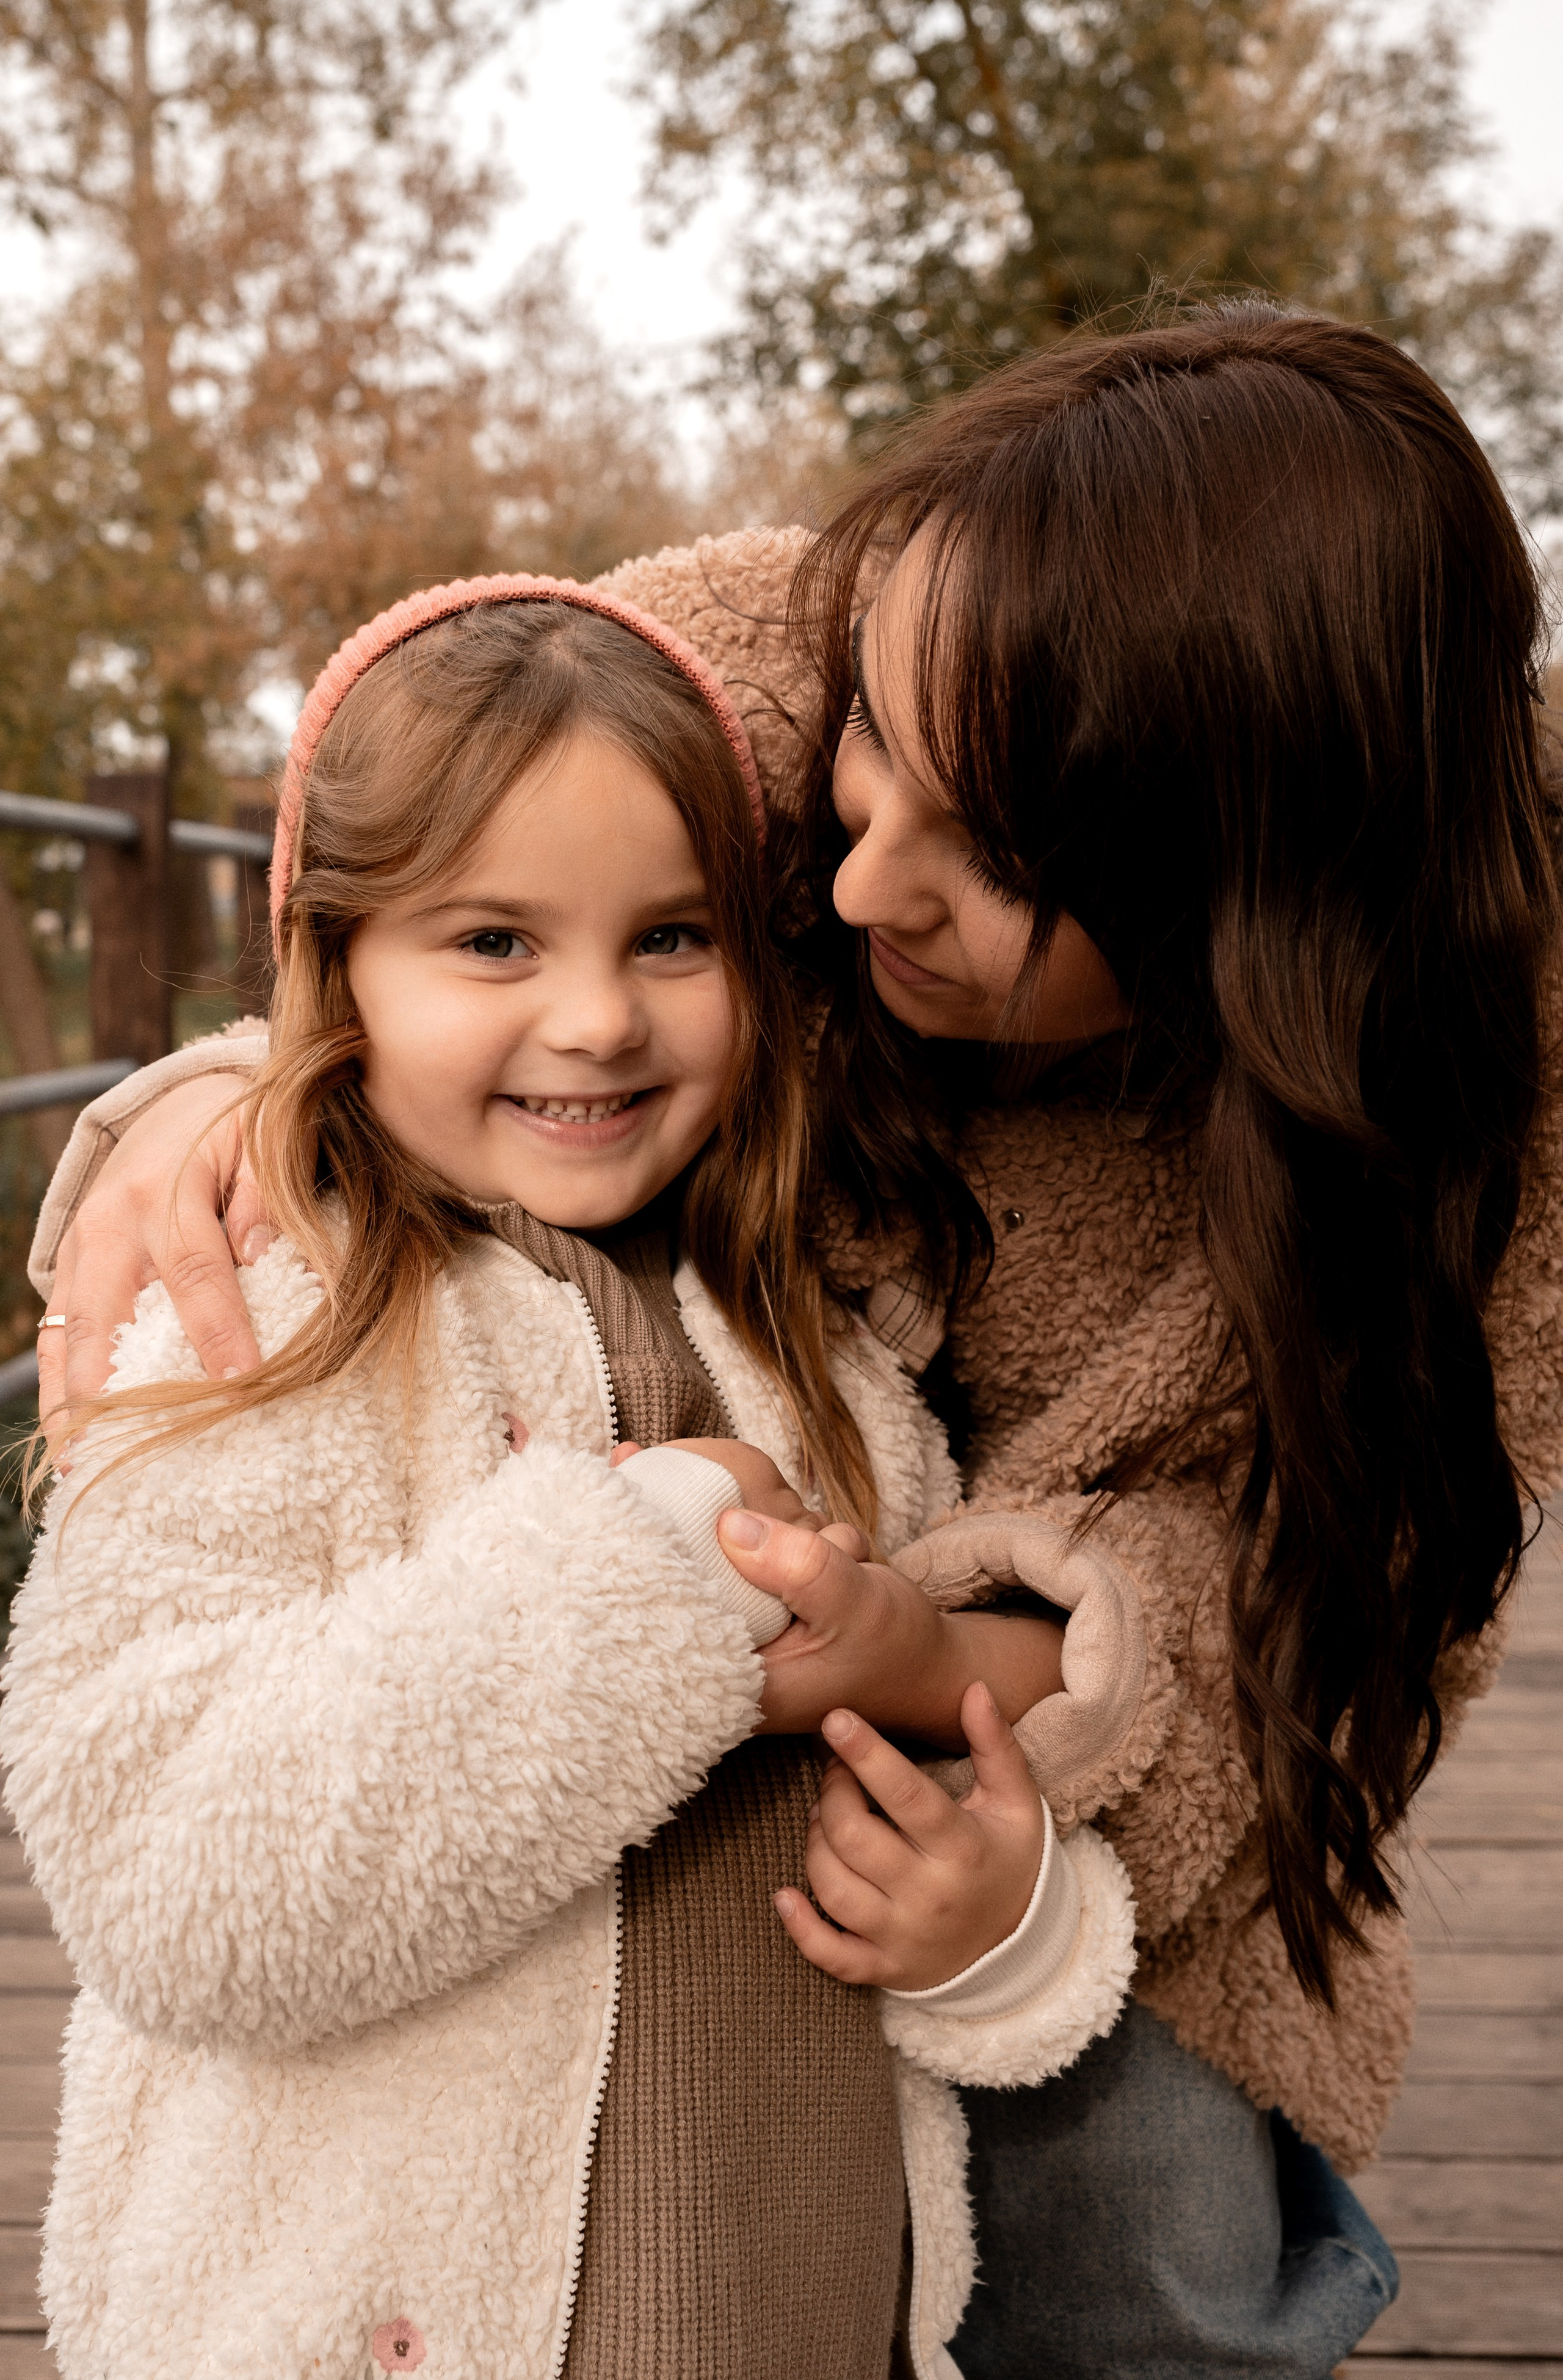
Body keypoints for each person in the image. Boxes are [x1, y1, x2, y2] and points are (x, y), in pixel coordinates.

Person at [27, 302, 1563, 2375]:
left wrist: (930, 1683)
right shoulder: (770, 664)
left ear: (1249, 908)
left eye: (994, 851)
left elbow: (1305, 1626)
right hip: (660, 1589)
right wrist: (235, 1091)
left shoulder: (1483, 1118)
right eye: (868, 762)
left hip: (1049, 1727)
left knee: (1138, 2229)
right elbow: (423, 848)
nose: (851, 885)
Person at [1, 575, 1139, 2380]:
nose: (601, 1018)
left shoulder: (832, 1359)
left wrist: (1003, 1936)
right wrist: (645, 1574)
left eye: (672, 937)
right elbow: (164, 1881)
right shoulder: (263, 1323)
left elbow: (933, 1801)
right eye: (494, 942)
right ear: (337, 964)